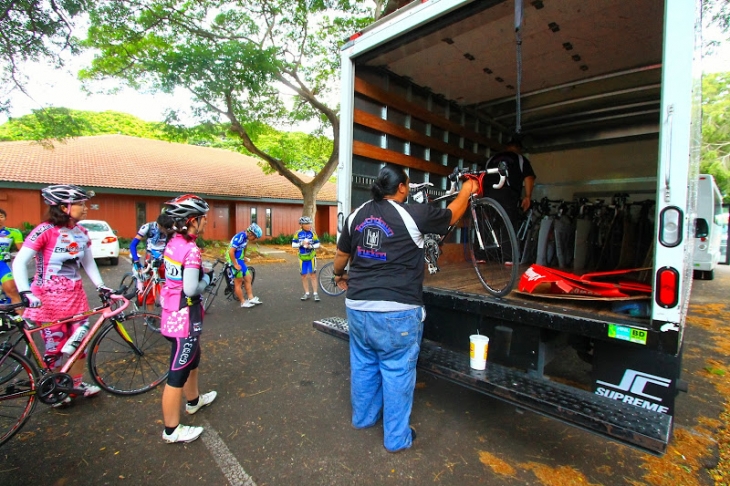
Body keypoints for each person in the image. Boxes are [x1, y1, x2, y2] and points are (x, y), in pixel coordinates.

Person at [331, 164, 480, 453]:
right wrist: (466, 190)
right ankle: (396, 439)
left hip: (358, 308)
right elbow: (452, 214)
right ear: (401, 188)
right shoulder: (412, 213)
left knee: (363, 364)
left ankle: (363, 419)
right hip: (397, 312)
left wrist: (339, 275)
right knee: (397, 370)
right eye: (408, 185)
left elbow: (341, 256)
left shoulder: (355, 215)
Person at [12, 184, 114, 405]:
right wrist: (25, 291)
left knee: (79, 344)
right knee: (54, 348)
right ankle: (54, 388)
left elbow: (88, 262)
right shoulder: (44, 230)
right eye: (79, 204)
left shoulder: (81, 232)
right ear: (63, 207)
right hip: (48, 300)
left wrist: (101, 285)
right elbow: (19, 261)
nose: (85, 208)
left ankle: (75, 384)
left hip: (76, 298)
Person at [158, 194, 217, 444]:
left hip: (172, 313)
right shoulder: (191, 250)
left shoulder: (173, 241)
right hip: (184, 317)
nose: (206, 223)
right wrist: (208, 278)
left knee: (193, 358)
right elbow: (192, 288)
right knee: (177, 372)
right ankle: (171, 430)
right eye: (203, 219)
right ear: (192, 220)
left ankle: (193, 401)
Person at [483, 136, 536, 263]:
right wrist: (528, 196)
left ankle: (483, 256)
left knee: (488, 223)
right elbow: (529, 178)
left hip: (489, 193)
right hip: (507, 192)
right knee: (508, 223)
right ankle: (508, 258)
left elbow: (483, 176)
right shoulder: (520, 159)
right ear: (518, 148)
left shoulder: (491, 159)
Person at [129, 214, 174, 311]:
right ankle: (149, 315)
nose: (166, 232)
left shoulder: (171, 228)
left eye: (168, 229)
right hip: (150, 258)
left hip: (165, 258)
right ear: (159, 225)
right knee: (149, 286)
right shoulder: (147, 227)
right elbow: (133, 245)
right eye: (164, 229)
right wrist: (136, 261)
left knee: (170, 284)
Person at [226, 223, 262, 308]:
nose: (256, 239)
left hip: (239, 259)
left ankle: (251, 298)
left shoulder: (246, 239)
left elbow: (242, 248)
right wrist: (235, 264)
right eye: (255, 237)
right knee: (238, 282)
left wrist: (244, 257)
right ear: (251, 233)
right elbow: (231, 252)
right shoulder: (240, 237)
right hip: (233, 259)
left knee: (248, 278)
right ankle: (243, 302)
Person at [292, 216, 320, 302]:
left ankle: (315, 294)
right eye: (307, 224)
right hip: (302, 257)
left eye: (310, 223)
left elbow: (318, 244)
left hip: (311, 256)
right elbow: (293, 245)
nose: (309, 225)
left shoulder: (313, 233)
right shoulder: (298, 233)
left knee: (313, 275)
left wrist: (311, 246)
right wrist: (301, 243)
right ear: (301, 225)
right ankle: (306, 293)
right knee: (303, 276)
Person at [0, 208, 24, 308]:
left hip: (2, 265)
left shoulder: (13, 232)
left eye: (1, 216)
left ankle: (22, 321)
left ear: (5, 218)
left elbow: (23, 251)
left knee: (12, 291)